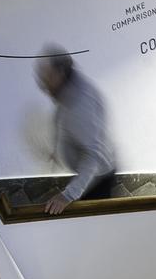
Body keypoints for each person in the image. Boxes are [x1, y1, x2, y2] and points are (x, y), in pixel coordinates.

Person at [34, 46, 116, 214]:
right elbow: (62, 117)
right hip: (90, 174)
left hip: (98, 179)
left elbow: (94, 155)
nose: (42, 83)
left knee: (95, 225)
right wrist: (57, 149)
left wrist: (68, 196)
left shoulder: (79, 104)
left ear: (60, 73)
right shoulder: (67, 89)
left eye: (47, 76)